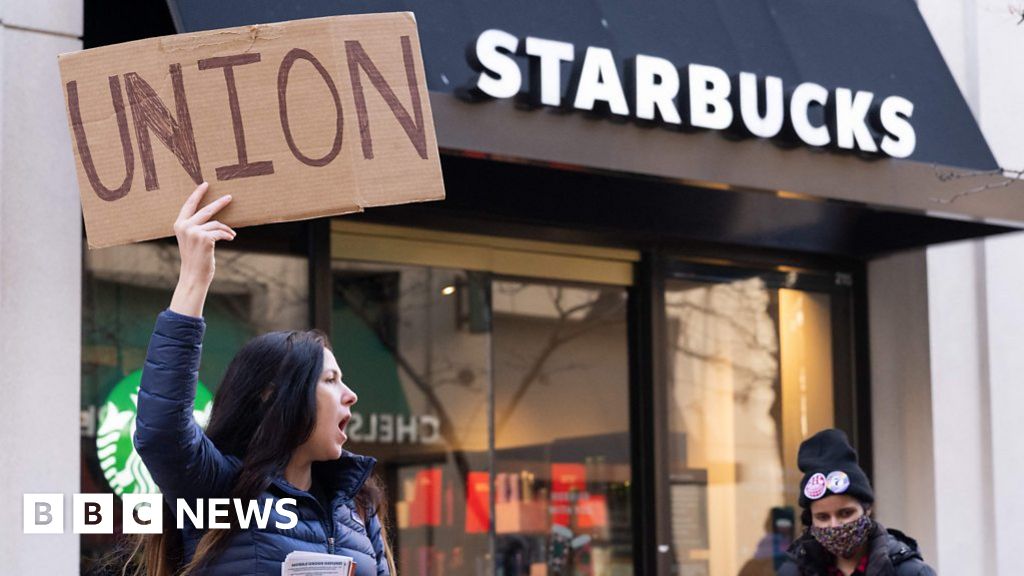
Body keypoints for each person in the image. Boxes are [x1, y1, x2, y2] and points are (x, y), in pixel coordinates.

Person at [126, 182, 395, 575]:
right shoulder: (221, 490)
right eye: (331, 379)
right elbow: (161, 432)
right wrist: (193, 279)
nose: (351, 395)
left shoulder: (357, 504)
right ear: (273, 395)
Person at [778, 429, 936, 576]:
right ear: (810, 520)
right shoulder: (793, 572)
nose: (835, 525)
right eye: (823, 517)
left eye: (845, 513)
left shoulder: (910, 572)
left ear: (867, 510)